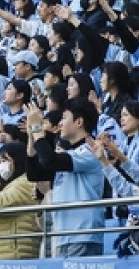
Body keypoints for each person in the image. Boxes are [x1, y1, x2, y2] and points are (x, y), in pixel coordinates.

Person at [26, 99, 104, 257]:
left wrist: (37, 129)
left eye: (64, 118)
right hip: (62, 236)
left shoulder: (91, 150)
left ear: (79, 122)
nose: (60, 123)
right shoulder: (68, 155)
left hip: (84, 234)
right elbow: (34, 174)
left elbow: (50, 161)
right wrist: (31, 137)